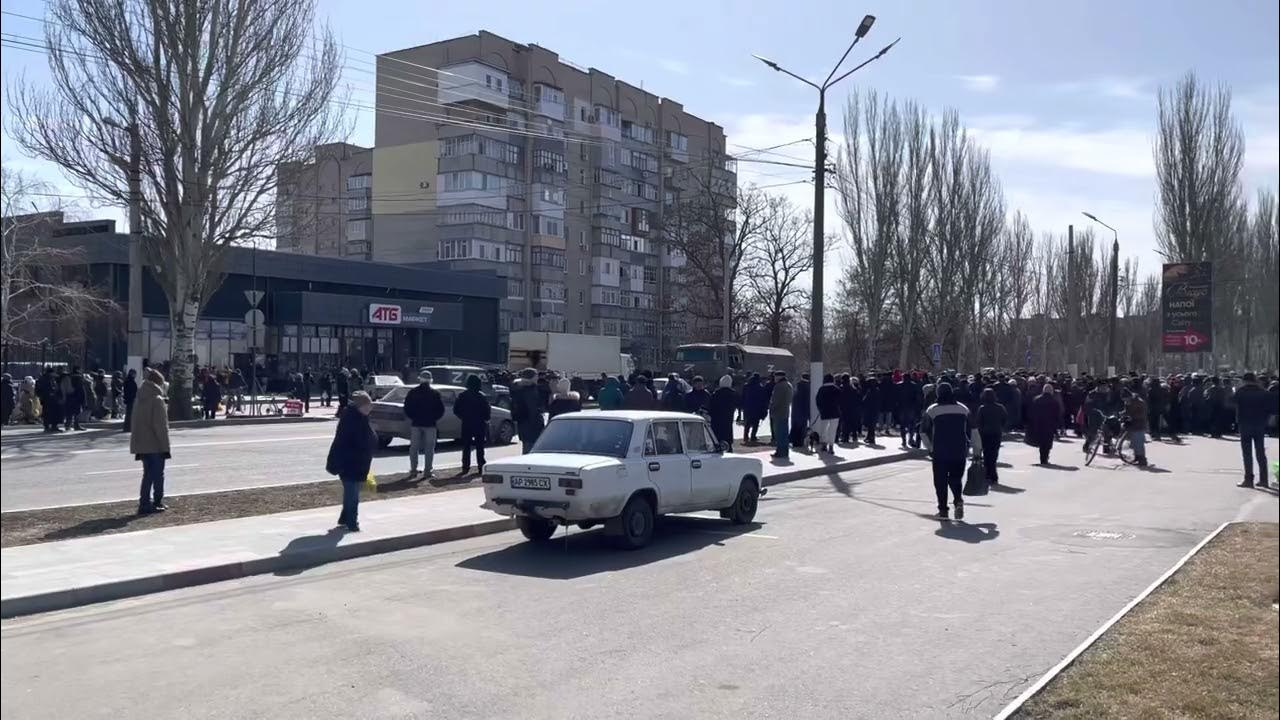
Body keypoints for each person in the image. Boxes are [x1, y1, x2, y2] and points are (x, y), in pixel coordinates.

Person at [326, 391, 377, 532]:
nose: (370, 409)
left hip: (356, 462)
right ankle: (352, 522)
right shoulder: (352, 420)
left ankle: (344, 518)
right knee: (352, 494)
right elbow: (352, 441)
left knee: (351, 492)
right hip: (349, 462)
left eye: (370, 406)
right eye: (367, 406)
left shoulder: (359, 417)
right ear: (359, 406)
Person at [920, 382, 970, 521]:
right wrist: (975, 449)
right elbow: (972, 430)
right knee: (956, 478)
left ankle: (943, 510)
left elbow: (923, 431)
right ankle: (958, 500)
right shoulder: (963, 409)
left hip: (940, 451)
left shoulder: (932, 410)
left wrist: (929, 448)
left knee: (940, 481)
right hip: (959, 450)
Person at [130, 367, 172, 514]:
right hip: (155, 444)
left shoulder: (140, 398)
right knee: (158, 474)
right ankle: (157, 501)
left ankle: (144, 503)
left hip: (141, 443)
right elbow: (160, 426)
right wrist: (165, 447)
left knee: (147, 474)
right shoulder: (157, 400)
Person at [1233, 372, 1274, 489]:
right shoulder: (1264, 392)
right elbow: (1271, 408)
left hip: (1245, 424)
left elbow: (1230, 402)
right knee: (1260, 452)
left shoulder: (1241, 392)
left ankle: (1248, 480)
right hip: (1260, 425)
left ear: (1245, 381)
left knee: (1247, 453)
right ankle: (1264, 480)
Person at [403, 371, 444, 479]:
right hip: (430, 424)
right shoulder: (435, 393)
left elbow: (407, 407)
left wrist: (413, 417)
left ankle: (413, 470)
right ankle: (428, 471)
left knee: (414, 448)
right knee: (429, 448)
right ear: (430, 380)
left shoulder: (413, 392)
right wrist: (434, 418)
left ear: (419, 379)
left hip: (416, 423)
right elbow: (441, 410)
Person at [453, 374, 491, 476]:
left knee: (466, 446)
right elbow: (487, 410)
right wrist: (486, 419)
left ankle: (465, 466)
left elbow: (456, 409)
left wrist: (463, 416)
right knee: (480, 446)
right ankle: (480, 465)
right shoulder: (481, 396)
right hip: (479, 423)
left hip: (466, 422)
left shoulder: (462, 395)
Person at [975, 388, 1008, 484]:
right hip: (996, 432)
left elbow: (979, 421)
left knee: (986, 453)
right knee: (994, 453)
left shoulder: (982, 408)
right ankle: (992, 474)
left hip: (985, 433)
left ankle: (988, 473)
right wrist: (1001, 426)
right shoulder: (1000, 407)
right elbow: (1005, 418)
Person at [511, 367, 548, 452]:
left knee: (526, 447)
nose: (537, 378)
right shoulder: (530, 390)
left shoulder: (517, 388)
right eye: (536, 376)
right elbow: (532, 409)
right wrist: (539, 423)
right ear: (531, 377)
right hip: (532, 425)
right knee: (532, 450)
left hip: (522, 423)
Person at [1026, 383, 1061, 465]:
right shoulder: (1054, 401)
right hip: (1049, 424)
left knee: (1041, 441)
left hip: (1038, 423)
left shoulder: (1036, 399)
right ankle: (1045, 458)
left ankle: (1042, 458)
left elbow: (1031, 412)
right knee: (1047, 442)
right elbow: (1056, 415)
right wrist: (1057, 426)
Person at [814, 374, 841, 454]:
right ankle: (831, 446)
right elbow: (841, 401)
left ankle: (824, 445)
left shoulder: (821, 389)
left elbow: (817, 401)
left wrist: (820, 409)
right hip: (835, 412)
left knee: (824, 429)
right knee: (832, 430)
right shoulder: (836, 389)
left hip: (824, 412)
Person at [768, 371, 793, 459]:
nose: (774, 379)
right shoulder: (789, 385)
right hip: (785, 412)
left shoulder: (779, 386)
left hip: (778, 413)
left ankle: (780, 451)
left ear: (779, 377)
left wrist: (771, 408)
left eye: (775, 377)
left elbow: (775, 401)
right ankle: (785, 451)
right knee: (784, 433)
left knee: (779, 434)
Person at [709, 375, 737, 451]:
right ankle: (729, 448)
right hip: (728, 419)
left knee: (717, 438)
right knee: (727, 436)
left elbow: (710, 407)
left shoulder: (716, 394)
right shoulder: (733, 394)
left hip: (716, 420)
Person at [1123, 387, 1149, 467]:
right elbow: (1127, 411)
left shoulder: (1139, 402)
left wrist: (1132, 416)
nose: (1125, 401)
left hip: (1139, 424)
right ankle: (1137, 457)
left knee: (1139, 442)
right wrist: (1123, 414)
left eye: (1126, 399)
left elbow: (1143, 414)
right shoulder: (1128, 402)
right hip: (1133, 424)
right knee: (1134, 442)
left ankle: (1142, 459)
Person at [741, 373, 767, 444]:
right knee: (755, 423)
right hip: (757, 408)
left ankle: (745, 436)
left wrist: (743, 406)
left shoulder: (746, 386)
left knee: (747, 423)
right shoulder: (760, 387)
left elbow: (743, 397)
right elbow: (763, 399)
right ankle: (753, 436)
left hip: (748, 407)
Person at [790, 373, 811, 448]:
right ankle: (800, 442)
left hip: (796, 410)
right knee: (802, 427)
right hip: (803, 411)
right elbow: (807, 401)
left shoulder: (797, 386)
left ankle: (794, 441)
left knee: (795, 426)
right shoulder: (807, 387)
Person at [839, 374, 862, 444]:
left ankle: (845, 437)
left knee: (845, 423)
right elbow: (858, 398)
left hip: (844, 408)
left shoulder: (841, 388)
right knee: (852, 422)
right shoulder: (853, 388)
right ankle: (854, 436)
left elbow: (839, 399)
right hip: (853, 408)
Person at [861, 377, 881, 445]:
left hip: (869, 410)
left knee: (870, 425)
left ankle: (871, 438)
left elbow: (865, 401)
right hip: (875, 410)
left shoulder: (869, 391)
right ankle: (869, 437)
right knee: (872, 425)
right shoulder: (877, 390)